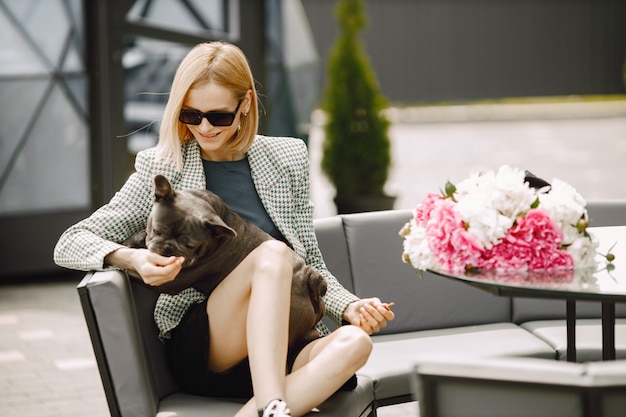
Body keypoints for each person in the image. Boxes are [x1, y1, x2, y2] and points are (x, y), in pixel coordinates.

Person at [54, 41, 394, 417]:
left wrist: (350, 305)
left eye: (217, 116)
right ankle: (271, 402)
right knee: (273, 253)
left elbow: (310, 260)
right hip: (209, 346)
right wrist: (132, 258)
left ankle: (262, 410)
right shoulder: (163, 166)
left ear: (244, 104)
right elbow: (70, 242)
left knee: (355, 344)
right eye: (190, 114)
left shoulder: (286, 158)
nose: (203, 127)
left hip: (289, 340)